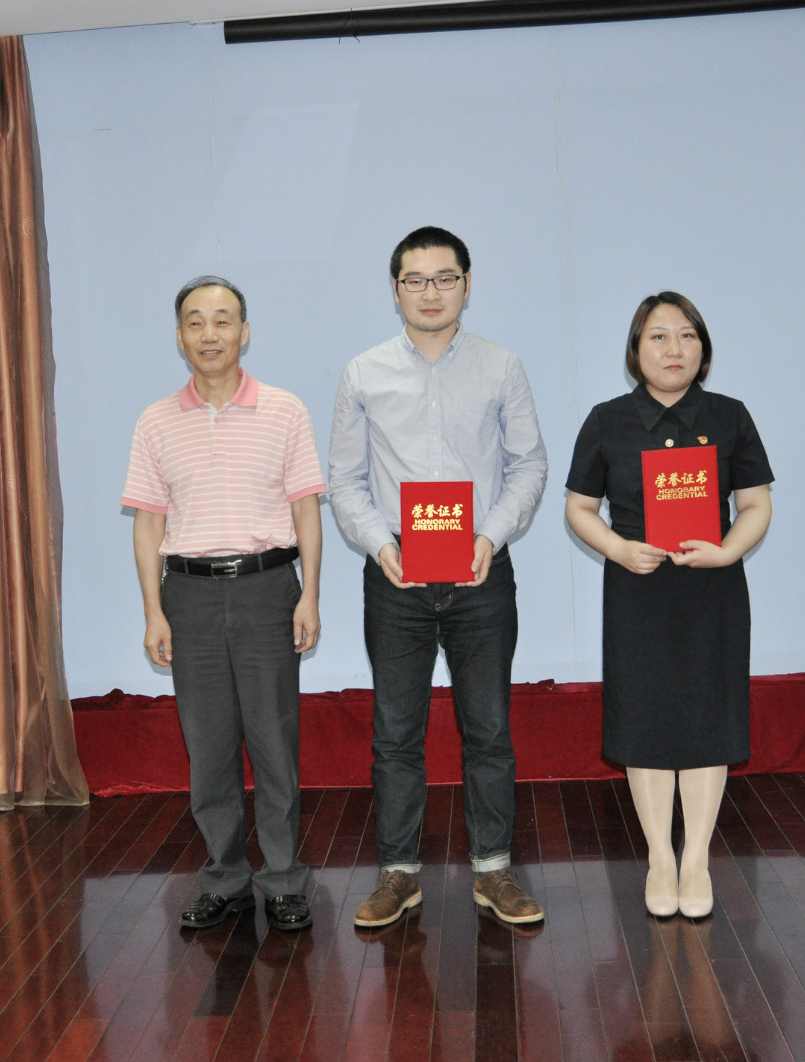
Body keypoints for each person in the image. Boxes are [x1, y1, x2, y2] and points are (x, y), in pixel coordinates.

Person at [329, 226, 548, 927]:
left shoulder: (501, 367)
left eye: (445, 278)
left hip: (481, 570)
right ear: (395, 289)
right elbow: (344, 478)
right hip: (395, 573)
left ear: (467, 284)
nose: (431, 292)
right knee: (396, 733)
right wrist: (377, 544)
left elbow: (529, 465)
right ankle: (399, 873)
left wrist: (490, 535)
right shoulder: (363, 372)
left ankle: (494, 870)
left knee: (488, 729)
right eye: (415, 280)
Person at [122, 275, 326, 932]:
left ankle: (284, 879)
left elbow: (306, 512)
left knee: (273, 740)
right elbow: (148, 525)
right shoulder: (155, 421)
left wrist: (309, 596)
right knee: (207, 744)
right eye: (195, 322)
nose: (208, 334)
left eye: (222, 320)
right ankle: (225, 877)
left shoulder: (284, 410)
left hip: (268, 589)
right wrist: (154, 611)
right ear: (179, 336)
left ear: (244, 331)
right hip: (188, 595)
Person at [564, 292, 773, 919]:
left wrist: (727, 550)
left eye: (687, 335)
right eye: (658, 336)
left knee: (708, 720)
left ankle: (696, 859)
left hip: (712, 590)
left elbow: (755, 504)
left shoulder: (730, 415)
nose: (674, 348)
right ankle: (660, 856)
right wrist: (618, 549)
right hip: (639, 589)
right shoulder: (607, 420)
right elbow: (580, 508)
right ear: (636, 350)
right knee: (646, 720)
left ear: (703, 348)